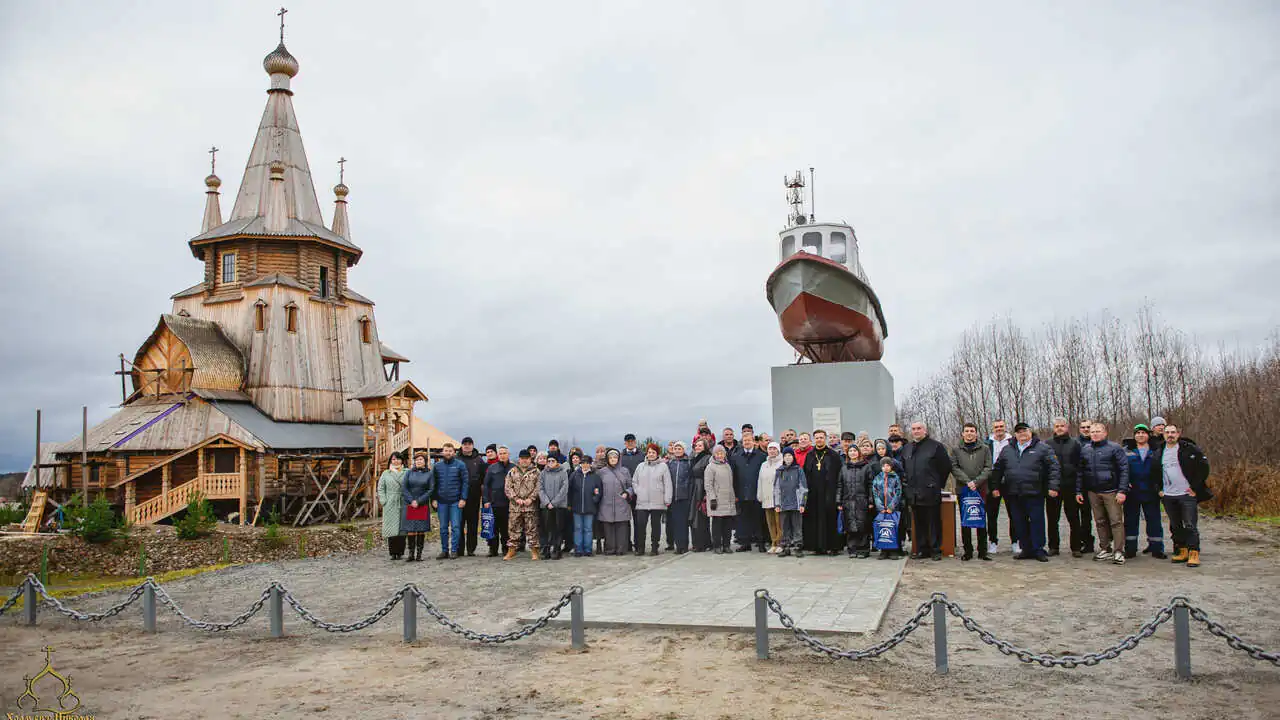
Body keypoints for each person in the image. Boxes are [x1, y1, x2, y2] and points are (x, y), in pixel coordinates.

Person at [990, 422, 1060, 562]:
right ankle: (1026, 549)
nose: (1022, 434)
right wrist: (995, 487)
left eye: (1024, 431)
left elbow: (1054, 468)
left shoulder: (1043, 448)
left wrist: (1053, 487)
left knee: (1037, 521)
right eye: (1019, 432)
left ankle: (1038, 549)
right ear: (1015, 434)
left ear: (1030, 432)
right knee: (1019, 522)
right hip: (1014, 492)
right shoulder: (1007, 450)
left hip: (1035, 492)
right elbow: (998, 470)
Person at [1077, 422, 1130, 565]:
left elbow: (1124, 470)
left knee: (1116, 521)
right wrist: (1078, 491)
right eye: (1092, 431)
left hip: (1111, 491)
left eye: (1098, 431)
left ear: (1105, 433)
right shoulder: (1085, 449)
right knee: (1100, 521)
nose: (1094, 433)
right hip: (1093, 491)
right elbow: (1080, 472)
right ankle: (1105, 548)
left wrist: (1122, 491)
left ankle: (1118, 551)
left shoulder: (1115, 448)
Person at [1160, 424, 1211, 568]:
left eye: (1173, 432)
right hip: (1168, 494)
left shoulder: (1189, 448)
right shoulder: (1159, 450)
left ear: (1178, 433)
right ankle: (1181, 550)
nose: (1170, 435)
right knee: (1175, 525)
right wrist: (1158, 489)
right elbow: (1154, 472)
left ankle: (1193, 551)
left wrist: (1195, 487)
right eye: (1167, 432)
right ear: (1163, 434)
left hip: (1186, 493)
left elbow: (1204, 467)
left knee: (1189, 524)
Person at [902, 422, 952, 561]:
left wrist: (937, 484)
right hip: (913, 492)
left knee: (933, 522)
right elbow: (903, 468)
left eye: (919, 428)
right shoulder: (907, 448)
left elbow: (946, 466)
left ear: (925, 430)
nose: (916, 431)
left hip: (930, 491)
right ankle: (922, 549)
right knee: (918, 522)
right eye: (913, 429)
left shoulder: (936, 446)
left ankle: (936, 550)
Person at [1047, 418, 1092, 558]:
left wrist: (1079, 487)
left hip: (1071, 486)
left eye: (1062, 426)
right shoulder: (1047, 444)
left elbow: (1080, 466)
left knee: (1073, 518)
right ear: (1053, 428)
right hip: (1053, 487)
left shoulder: (1075, 444)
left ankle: (1076, 547)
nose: (1059, 428)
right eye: (1057, 426)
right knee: (1052, 519)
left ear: (1067, 427)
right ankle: (1053, 546)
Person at [950, 422, 993, 561]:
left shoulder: (985, 449)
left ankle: (983, 551)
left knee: (981, 519)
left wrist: (976, 482)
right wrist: (967, 481)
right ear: (963, 433)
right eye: (967, 431)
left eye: (972, 431)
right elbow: (954, 467)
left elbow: (988, 467)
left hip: (980, 489)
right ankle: (967, 551)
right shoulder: (956, 449)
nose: (969, 433)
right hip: (963, 489)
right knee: (966, 520)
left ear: (976, 433)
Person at [1123, 424, 1166, 560]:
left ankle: (1157, 548)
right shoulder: (1126, 451)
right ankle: (1130, 549)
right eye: (1138, 433)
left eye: (1143, 433)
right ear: (1134, 435)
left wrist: (1159, 487)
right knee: (1130, 521)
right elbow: (1121, 469)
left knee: (1154, 520)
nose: (1140, 435)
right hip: (1132, 491)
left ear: (1148, 435)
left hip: (1151, 490)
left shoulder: (1156, 450)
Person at [802, 429, 842, 555]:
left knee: (829, 518)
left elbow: (838, 474)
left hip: (829, 491)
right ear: (814, 440)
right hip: (813, 493)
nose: (819, 439)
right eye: (817, 437)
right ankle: (816, 546)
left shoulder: (833, 455)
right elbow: (805, 474)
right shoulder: (810, 455)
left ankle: (832, 546)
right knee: (814, 519)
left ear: (825, 438)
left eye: (821, 437)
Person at [631, 443, 672, 556]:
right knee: (640, 525)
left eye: (653, 452)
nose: (651, 454)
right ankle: (640, 548)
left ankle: (655, 547)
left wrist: (667, 499)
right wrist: (638, 491)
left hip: (657, 501)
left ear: (657, 454)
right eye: (649, 452)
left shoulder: (663, 466)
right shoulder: (640, 466)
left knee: (655, 526)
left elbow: (667, 483)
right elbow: (634, 481)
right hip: (642, 501)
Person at [730, 432, 767, 552]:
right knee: (743, 519)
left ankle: (760, 542)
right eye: (745, 441)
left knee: (758, 519)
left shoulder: (761, 456)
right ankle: (745, 543)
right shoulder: (736, 457)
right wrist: (735, 493)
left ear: (754, 442)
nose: (747, 443)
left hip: (756, 493)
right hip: (741, 493)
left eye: (749, 440)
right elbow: (733, 476)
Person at [431, 442, 469, 560]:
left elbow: (465, 482)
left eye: (450, 451)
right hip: (442, 501)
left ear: (454, 452)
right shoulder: (437, 466)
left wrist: (463, 498)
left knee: (456, 527)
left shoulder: (460, 465)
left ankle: (454, 550)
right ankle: (444, 550)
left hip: (455, 501)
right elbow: (433, 484)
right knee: (443, 527)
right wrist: (433, 498)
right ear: (443, 452)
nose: (448, 453)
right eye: (446, 451)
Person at [503, 450, 542, 561]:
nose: (524, 460)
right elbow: (508, 487)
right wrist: (516, 499)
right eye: (522, 458)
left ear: (530, 459)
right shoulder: (512, 471)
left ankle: (534, 551)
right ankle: (511, 551)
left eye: (526, 458)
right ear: (519, 459)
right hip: (515, 507)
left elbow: (539, 487)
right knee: (513, 530)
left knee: (532, 530)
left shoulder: (536, 472)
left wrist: (531, 498)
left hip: (530, 506)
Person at [836, 445, 872, 558]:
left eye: (854, 450)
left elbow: (870, 485)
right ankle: (852, 549)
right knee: (850, 525)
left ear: (858, 452)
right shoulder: (844, 468)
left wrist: (871, 500)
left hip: (862, 500)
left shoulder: (866, 467)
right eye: (850, 451)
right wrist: (838, 501)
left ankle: (863, 549)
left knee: (862, 525)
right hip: (848, 501)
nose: (852, 453)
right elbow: (840, 485)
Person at [597, 449, 635, 555]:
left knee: (621, 528)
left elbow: (631, 486)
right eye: (611, 458)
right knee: (608, 529)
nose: (613, 460)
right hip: (606, 504)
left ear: (618, 459)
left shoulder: (624, 471)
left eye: (615, 458)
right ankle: (610, 549)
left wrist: (627, 493)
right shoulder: (602, 472)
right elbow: (597, 486)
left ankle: (621, 549)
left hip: (621, 503)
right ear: (608, 459)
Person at [986, 420, 1015, 556]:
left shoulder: (1012, 442)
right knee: (992, 514)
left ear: (1005, 427)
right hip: (993, 482)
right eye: (996, 427)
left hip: (1010, 482)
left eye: (1001, 427)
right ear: (993, 429)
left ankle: (1015, 541)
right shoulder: (987, 443)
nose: (999, 429)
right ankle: (992, 541)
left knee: (1014, 513)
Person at [402, 452, 436, 562]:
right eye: (416, 460)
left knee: (421, 530)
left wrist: (419, 501)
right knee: (411, 530)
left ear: (425, 461)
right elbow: (404, 487)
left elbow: (431, 489)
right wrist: (412, 500)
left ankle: (419, 554)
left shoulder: (429, 474)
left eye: (421, 459)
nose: (418, 461)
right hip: (410, 503)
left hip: (422, 503)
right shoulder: (409, 473)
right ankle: (411, 553)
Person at [773, 446, 807, 558]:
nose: (788, 458)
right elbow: (776, 488)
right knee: (784, 526)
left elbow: (803, 488)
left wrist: (802, 503)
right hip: (783, 504)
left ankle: (798, 546)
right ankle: (785, 546)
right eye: (785, 456)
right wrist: (777, 504)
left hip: (796, 503)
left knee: (797, 526)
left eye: (790, 455)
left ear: (793, 457)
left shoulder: (798, 470)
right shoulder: (780, 471)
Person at [457, 437, 488, 557]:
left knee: (472, 524)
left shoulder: (479, 460)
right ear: (462, 445)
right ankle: (459, 549)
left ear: (472, 445)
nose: (467, 446)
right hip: (459, 497)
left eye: (469, 444)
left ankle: (471, 549)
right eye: (465, 444)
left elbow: (483, 479)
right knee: (458, 524)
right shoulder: (456, 459)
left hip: (474, 497)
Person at [568, 452, 603, 557]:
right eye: (583, 463)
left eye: (587, 463)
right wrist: (570, 503)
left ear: (590, 464)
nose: (585, 465)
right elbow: (569, 490)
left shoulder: (595, 476)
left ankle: (588, 549)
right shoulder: (574, 475)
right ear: (580, 464)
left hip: (590, 507)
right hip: (577, 507)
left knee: (588, 529)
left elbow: (599, 490)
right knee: (578, 529)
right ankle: (578, 549)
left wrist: (595, 499)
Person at [705, 445, 738, 554]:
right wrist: (712, 498)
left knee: (727, 525)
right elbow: (708, 485)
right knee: (717, 525)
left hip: (728, 500)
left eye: (721, 453)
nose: (720, 455)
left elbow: (731, 484)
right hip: (717, 500)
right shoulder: (710, 467)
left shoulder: (727, 466)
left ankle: (726, 545)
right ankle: (717, 545)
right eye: (717, 453)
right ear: (714, 454)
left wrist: (732, 498)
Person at [482, 446, 513, 556]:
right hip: (494, 502)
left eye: (505, 453)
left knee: (506, 528)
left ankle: (506, 548)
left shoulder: (513, 468)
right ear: (498, 455)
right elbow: (486, 485)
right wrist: (485, 500)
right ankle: (493, 549)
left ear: (508, 454)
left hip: (509, 502)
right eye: (500, 453)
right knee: (493, 527)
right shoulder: (492, 468)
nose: (503, 455)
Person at [376, 451, 408, 560]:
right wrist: (383, 500)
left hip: (403, 501)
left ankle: (400, 552)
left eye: (398, 459)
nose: (396, 461)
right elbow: (380, 488)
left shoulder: (407, 472)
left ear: (402, 460)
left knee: (402, 527)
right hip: (390, 501)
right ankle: (393, 552)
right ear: (391, 461)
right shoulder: (386, 473)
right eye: (394, 459)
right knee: (391, 527)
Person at [538, 454, 570, 560]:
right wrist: (547, 502)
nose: (551, 462)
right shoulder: (543, 473)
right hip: (546, 506)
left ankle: (557, 549)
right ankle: (546, 549)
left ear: (557, 462)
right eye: (549, 461)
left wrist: (554, 502)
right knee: (546, 528)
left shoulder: (563, 472)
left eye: (553, 460)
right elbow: (540, 488)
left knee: (558, 528)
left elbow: (564, 489)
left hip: (559, 505)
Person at [872, 458, 904, 560]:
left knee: (893, 528)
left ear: (891, 467)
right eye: (883, 466)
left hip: (892, 509)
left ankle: (893, 550)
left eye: (888, 466)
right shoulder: (877, 478)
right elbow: (875, 493)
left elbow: (898, 492)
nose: (885, 468)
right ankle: (883, 550)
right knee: (882, 528)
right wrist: (880, 506)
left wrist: (891, 506)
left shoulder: (895, 478)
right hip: (881, 509)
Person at [666, 441, 694, 553]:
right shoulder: (670, 463)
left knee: (683, 523)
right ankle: (678, 546)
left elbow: (691, 479)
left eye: (680, 448)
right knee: (676, 523)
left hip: (684, 496)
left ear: (683, 450)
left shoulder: (688, 463)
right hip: (673, 497)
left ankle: (684, 545)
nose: (677, 450)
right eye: (676, 448)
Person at [757, 442, 784, 553]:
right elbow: (760, 480)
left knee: (779, 522)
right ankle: (773, 542)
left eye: (774, 449)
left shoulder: (782, 463)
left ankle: (780, 543)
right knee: (770, 521)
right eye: (770, 449)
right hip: (767, 496)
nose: (772, 451)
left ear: (778, 450)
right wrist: (760, 494)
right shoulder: (764, 464)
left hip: (778, 497)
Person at [689, 438, 713, 552]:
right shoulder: (693, 458)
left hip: (701, 489)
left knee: (701, 518)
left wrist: (706, 493)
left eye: (700, 445)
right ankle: (697, 543)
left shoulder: (707, 458)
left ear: (705, 447)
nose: (697, 447)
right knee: (694, 517)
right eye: (696, 445)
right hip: (694, 488)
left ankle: (703, 544)